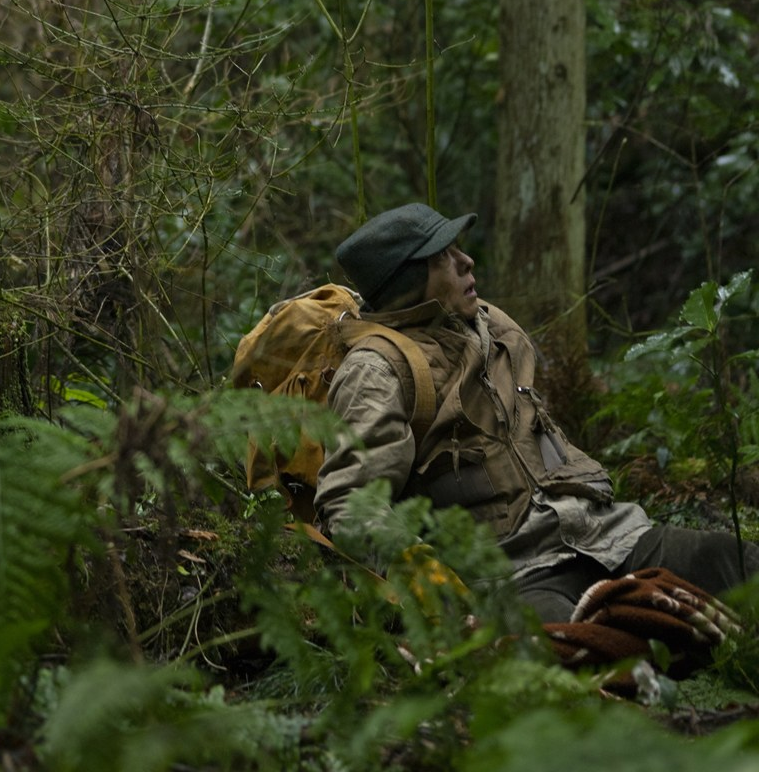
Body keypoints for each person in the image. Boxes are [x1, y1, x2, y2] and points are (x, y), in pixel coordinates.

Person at [314, 202, 759, 623]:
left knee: (735, 562)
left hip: (605, 535)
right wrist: (422, 576)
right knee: (569, 649)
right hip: (515, 571)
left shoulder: (491, 325)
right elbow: (350, 502)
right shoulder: (375, 371)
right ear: (407, 281)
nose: (467, 262)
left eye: (459, 250)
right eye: (443, 258)